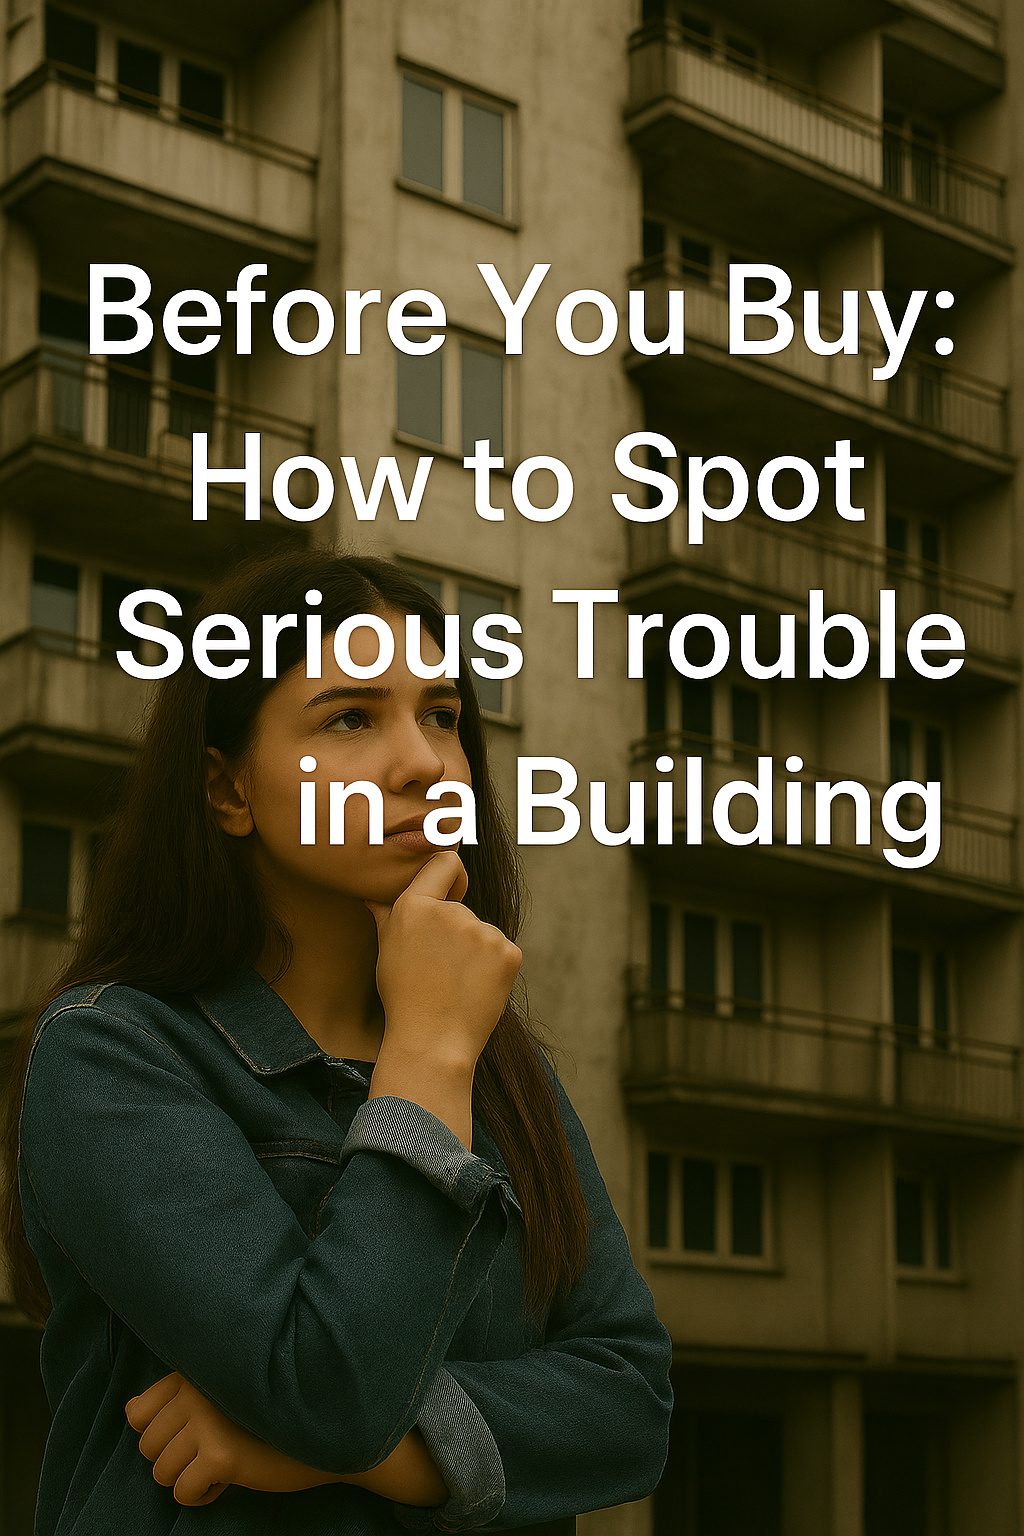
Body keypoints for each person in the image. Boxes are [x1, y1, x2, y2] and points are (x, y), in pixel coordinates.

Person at [1, 550, 673, 1535]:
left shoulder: (500, 1068)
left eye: (441, 715)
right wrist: (429, 1057)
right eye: (351, 717)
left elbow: (630, 1406)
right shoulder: (113, 1055)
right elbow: (330, 1389)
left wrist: (369, 1457)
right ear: (227, 790)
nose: (426, 763)